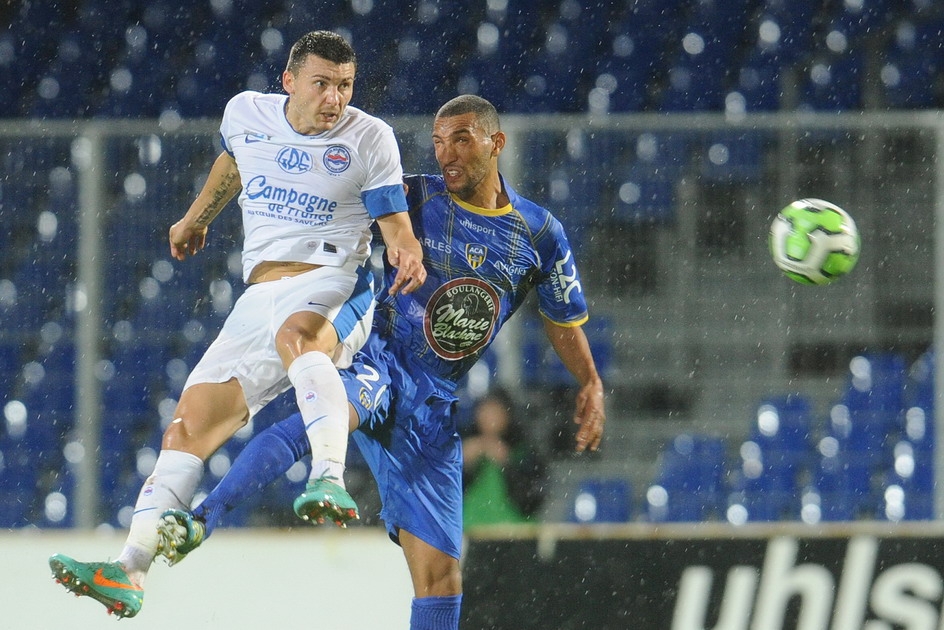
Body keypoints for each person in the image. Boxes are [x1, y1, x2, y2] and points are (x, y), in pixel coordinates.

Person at [156, 94, 606, 630]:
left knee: (441, 579)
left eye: (461, 140)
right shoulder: (413, 195)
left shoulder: (539, 233)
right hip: (381, 357)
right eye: (438, 142)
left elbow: (562, 318)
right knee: (325, 420)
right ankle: (201, 518)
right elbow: (327, 202)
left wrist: (590, 380)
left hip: (432, 404)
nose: (446, 154)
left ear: (496, 143)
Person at [48, 30, 426, 619]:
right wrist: (196, 217)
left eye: (345, 86)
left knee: (298, 338)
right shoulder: (246, 113)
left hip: (334, 281)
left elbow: (394, 222)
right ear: (289, 81)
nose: (334, 98)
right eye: (322, 84)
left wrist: (406, 249)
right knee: (187, 427)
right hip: (259, 298)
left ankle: (328, 476)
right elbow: (234, 161)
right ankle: (129, 570)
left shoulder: (369, 137)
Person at [461, 388, 547, 527]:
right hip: (471, 528)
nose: (488, 418)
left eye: (494, 412)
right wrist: (462, 464)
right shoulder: (465, 446)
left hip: (515, 531)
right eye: (484, 411)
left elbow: (531, 499)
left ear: (508, 415)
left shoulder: (524, 452)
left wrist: (507, 465)